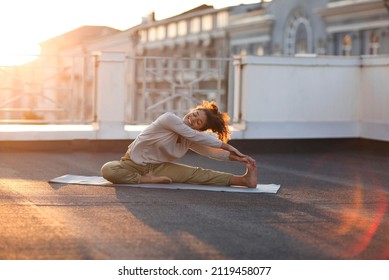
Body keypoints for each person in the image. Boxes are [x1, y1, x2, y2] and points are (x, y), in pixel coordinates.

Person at [101, 100, 257, 188]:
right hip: (132, 164)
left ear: (200, 129)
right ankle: (143, 179)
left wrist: (240, 159)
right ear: (192, 110)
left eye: (198, 122)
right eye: (194, 114)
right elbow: (199, 137)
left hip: (158, 169)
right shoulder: (169, 119)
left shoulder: (192, 137)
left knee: (196, 174)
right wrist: (228, 145)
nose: (192, 120)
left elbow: (211, 152)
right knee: (108, 169)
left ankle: (243, 180)